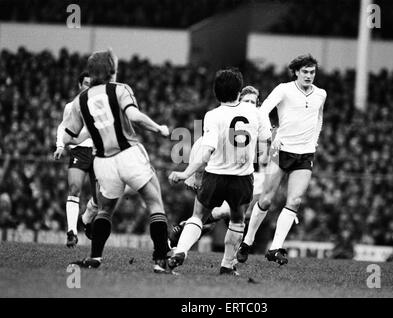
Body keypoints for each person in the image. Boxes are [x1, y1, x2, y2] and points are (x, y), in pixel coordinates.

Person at [62, 49, 172, 273]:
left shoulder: (79, 101)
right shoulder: (120, 89)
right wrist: (159, 128)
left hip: (102, 162)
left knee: (105, 210)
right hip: (128, 154)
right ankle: (160, 260)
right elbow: (134, 117)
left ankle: (95, 256)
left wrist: (62, 143)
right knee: (154, 202)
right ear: (111, 70)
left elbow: (69, 135)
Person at [167, 70, 271, 275]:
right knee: (237, 220)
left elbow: (206, 152)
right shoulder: (257, 113)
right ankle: (226, 265)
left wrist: (185, 172)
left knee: (198, 216)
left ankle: (180, 251)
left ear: (216, 93)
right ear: (239, 92)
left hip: (215, 175)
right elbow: (266, 140)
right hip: (242, 178)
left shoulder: (213, 115)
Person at [237, 54, 327, 265]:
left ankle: (275, 248)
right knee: (266, 199)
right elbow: (263, 111)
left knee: (295, 200)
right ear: (296, 72)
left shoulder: (321, 94)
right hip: (282, 150)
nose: (308, 75)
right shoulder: (284, 89)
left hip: (305, 153)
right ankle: (247, 242)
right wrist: (271, 136)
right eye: (304, 71)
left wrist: (314, 141)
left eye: (312, 72)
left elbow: (319, 118)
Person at [54, 71, 98, 247]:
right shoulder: (71, 106)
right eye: (86, 83)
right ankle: (71, 232)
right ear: (80, 85)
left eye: (92, 84)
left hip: (98, 152)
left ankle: (86, 219)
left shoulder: (99, 107)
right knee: (74, 188)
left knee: (102, 197)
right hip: (79, 151)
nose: (89, 87)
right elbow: (63, 127)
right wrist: (60, 146)